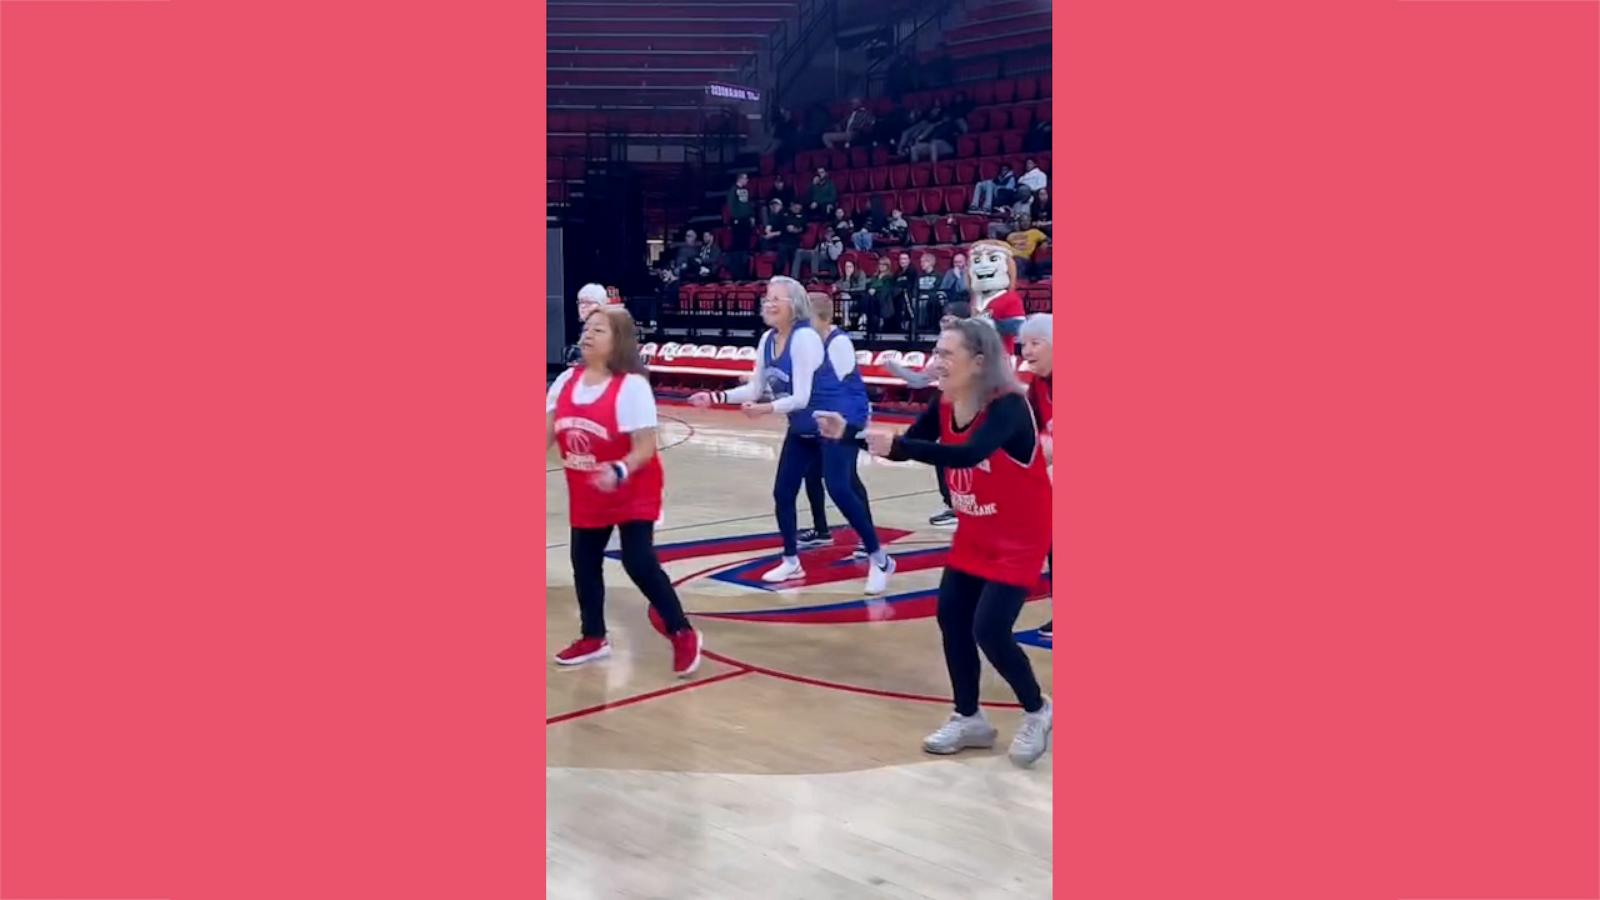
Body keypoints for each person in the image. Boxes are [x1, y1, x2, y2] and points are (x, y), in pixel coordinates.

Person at [819, 319, 1052, 766]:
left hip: (1020, 535)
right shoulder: (944, 402)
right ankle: (970, 718)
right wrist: (847, 434)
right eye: (936, 352)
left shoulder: (1008, 406)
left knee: (990, 629)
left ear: (979, 362)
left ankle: (1038, 709)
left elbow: (967, 453)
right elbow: (911, 442)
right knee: (951, 619)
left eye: (947, 354)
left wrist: (899, 449)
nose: (936, 362)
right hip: (976, 530)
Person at [688, 278, 894, 594]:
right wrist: (715, 398)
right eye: (766, 298)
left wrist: (765, 409)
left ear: (794, 305)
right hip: (802, 426)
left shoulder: (805, 339)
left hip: (833, 421)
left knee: (838, 486)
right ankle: (790, 559)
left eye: (777, 299)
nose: (768, 303)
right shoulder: (768, 339)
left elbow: (799, 397)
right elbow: (757, 388)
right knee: (783, 492)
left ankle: (879, 559)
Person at [548, 307, 704, 677]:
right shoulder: (566, 382)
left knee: (638, 561)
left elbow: (644, 447)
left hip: (633, 485)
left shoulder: (631, 386)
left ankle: (682, 632)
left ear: (617, 341)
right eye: (586, 329)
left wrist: (618, 469)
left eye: (598, 330)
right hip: (587, 489)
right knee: (583, 563)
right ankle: (593, 637)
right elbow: (545, 432)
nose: (587, 335)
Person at [795, 293, 873, 559]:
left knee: (845, 478)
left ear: (819, 318)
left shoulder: (838, 343)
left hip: (847, 415)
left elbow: (835, 388)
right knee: (811, 471)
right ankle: (821, 530)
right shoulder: (810, 341)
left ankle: (867, 535)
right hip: (823, 414)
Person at [1018, 313, 1054, 637]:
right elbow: (1034, 432)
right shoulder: (1037, 385)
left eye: (1035, 343)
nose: (1026, 351)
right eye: (1023, 345)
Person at [967, 240, 1027, 354]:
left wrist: (990, 324)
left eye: (993, 259)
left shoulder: (1010, 298)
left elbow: (1018, 326)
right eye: (977, 261)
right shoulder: (976, 299)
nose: (983, 265)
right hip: (978, 355)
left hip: (1001, 355)